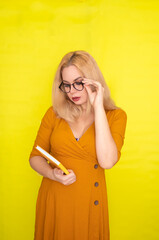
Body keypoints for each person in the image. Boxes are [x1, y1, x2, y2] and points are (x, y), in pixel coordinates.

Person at [29, 50, 127, 240]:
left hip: (88, 203)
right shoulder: (54, 113)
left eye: (78, 83)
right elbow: (35, 156)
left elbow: (107, 161)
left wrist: (98, 106)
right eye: (66, 85)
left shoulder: (115, 116)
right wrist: (51, 174)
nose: (72, 91)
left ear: (93, 81)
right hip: (55, 200)